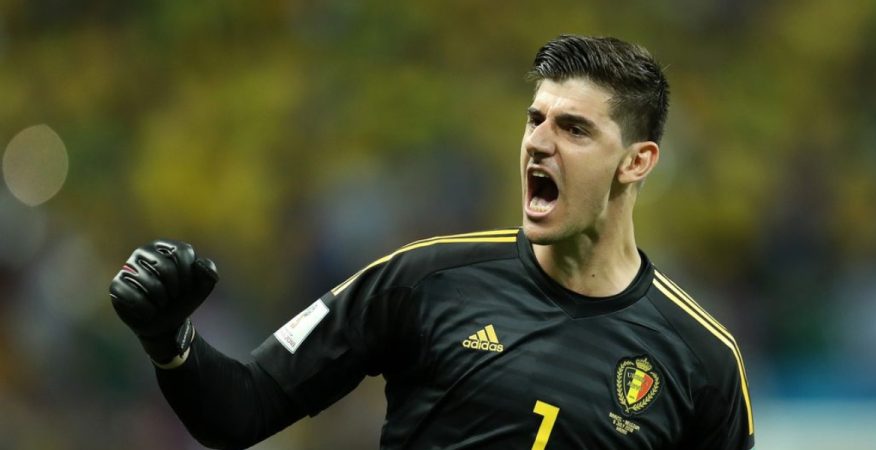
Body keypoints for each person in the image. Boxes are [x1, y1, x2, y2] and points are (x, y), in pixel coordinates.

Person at [110, 34, 755, 449]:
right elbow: (241, 410)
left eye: (575, 129)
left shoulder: (702, 362)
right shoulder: (424, 280)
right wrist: (170, 342)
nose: (539, 141)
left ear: (637, 162)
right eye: (535, 119)